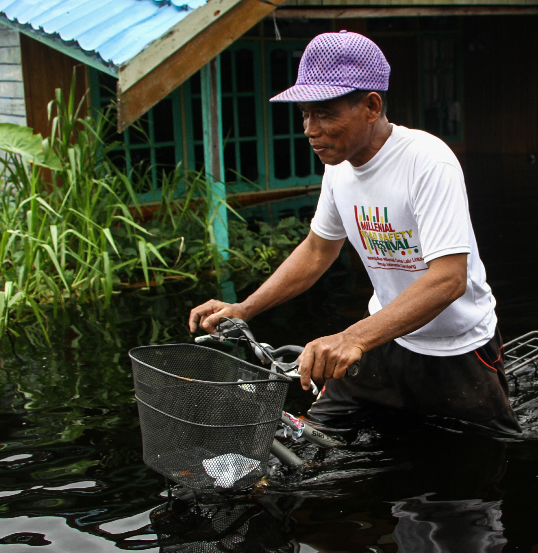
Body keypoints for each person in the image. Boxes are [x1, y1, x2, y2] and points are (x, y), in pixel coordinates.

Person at [187, 31, 518, 434]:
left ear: (371, 106)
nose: (310, 129)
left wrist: (352, 338)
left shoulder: (428, 162)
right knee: (311, 440)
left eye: (324, 114)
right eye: (305, 114)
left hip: (456, 350)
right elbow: (316, 250)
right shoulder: (337, 167)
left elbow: (448, 279)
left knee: (477, 462)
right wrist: (244, 308)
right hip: (385, 339)